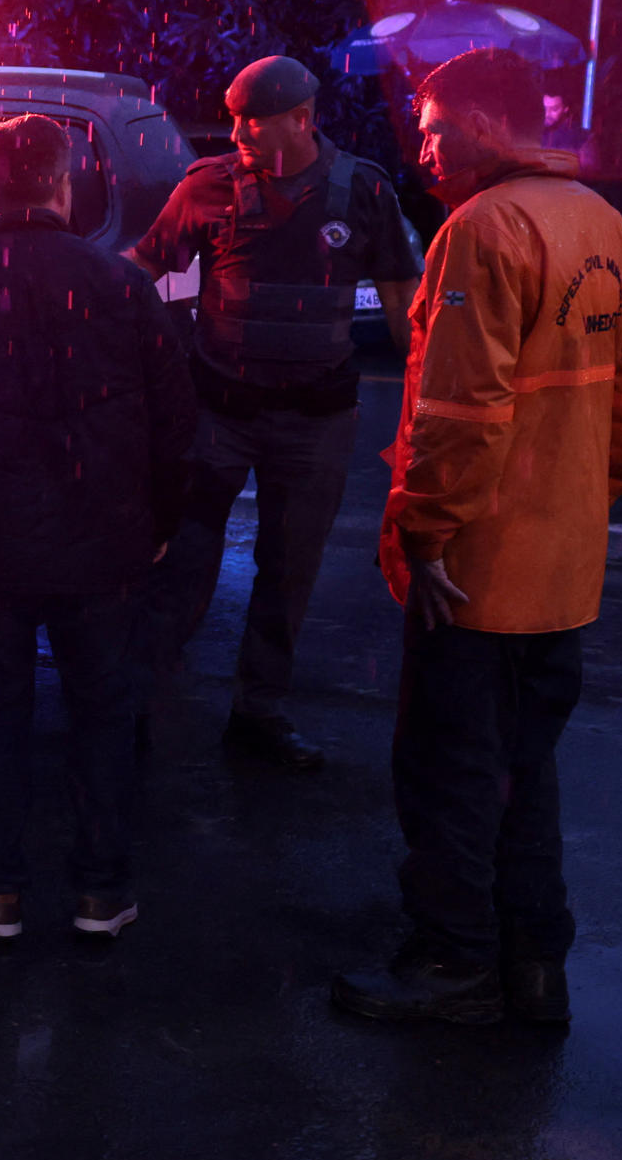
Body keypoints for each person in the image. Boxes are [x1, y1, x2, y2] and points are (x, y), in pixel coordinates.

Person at [334, 48, 622, 1027]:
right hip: (560, 568)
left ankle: (451, 960)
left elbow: (460, 413)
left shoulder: (481, 230)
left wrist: (427, 536)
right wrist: (583, 495)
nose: (422, 146)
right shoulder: (594, 221)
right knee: (525, 768)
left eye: (434, 125)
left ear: (485, 122)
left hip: (478, 570)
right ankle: (531, 961)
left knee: (449, 769)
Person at [0, 114, 194, 942]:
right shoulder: (122, 286)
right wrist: (161, 520)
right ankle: (100, 892)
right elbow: (173, 418)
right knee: (102, 716)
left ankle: (0, 896)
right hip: (103, 544)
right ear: (65, 184)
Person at [128, 54, 421, 771]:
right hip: (217, 411)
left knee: (288, 571)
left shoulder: (363, 192)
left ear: (302, 118)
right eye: (232, 118)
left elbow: (404, 304)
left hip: (315, 422)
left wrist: (435, 397)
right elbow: (141, 271)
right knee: (181, 562)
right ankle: (133, 705)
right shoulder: (209, 186)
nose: (235, 134)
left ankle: (259, 712)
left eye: (250, 121)